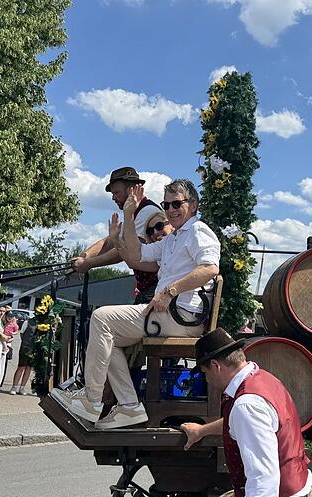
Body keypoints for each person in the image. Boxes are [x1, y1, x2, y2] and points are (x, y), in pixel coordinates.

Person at [53, 179, 220, 430]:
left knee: (101, 319)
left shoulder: (197, 231)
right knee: (107, 339)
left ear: (193, 205)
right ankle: (129, 407)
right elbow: (136, 256)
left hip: (180, 316)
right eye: (167, 204)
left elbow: (210, 269)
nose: (171, 209)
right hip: (169, 314)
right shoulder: (173, 239)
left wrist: (169, 291)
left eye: (177, 203)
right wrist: (129, 216)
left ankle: (92, 400)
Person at [181, 329, 312, 497]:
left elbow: (264, 481)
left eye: (205, 373)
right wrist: (202, 430)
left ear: (216, 366)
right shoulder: (261, 379)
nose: (206, 380)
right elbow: (242, 420)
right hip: (289, 496)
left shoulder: (247, 404)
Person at [70, 166, 162, 305]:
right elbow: (110, 241)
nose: (113, 197)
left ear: (131, 190)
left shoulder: (146, 212)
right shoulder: (133, 213)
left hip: (155, 289)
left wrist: (88, 264)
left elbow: (126, 252)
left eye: (116, 193)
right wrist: (84, 256)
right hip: (148, 290)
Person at [109, 209, 174, 303]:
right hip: (158, 298)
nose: (155, 232)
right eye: (150, 231)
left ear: (171, 224)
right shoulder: (160, 251)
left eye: (159, 226)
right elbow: (133, 261)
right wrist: (116, 240)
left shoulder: (187, 238)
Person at [9, 318, 36, 395]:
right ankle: (14, 386)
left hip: (35, 349)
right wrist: (26, 343)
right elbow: (22, 333)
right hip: (25, 347)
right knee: (21, 367)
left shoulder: (44, 323)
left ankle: (22, 387)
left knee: (29, 368)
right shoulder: (27, 322)